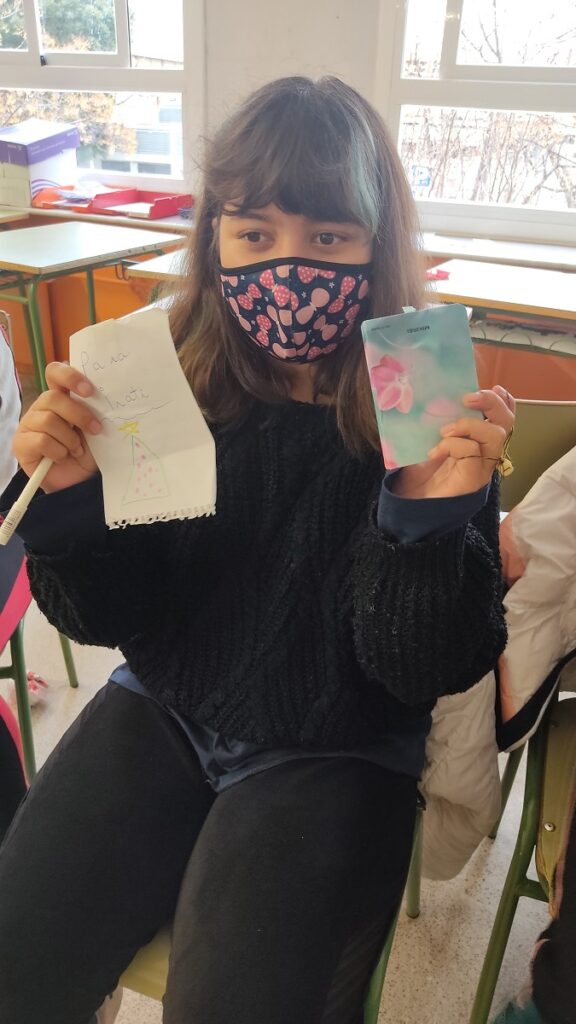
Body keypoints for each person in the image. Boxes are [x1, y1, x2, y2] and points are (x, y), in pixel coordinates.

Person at [0, 76, 514, 1024]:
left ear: (378, 244)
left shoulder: (424, 404)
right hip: (165, 700)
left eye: (329, 238)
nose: (288, 267)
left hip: (337, 746)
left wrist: (425, 524)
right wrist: (69, 508)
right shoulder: (164, 384)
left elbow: (421, 672)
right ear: (214, 241)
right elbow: (110, 617)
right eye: (253, 234)